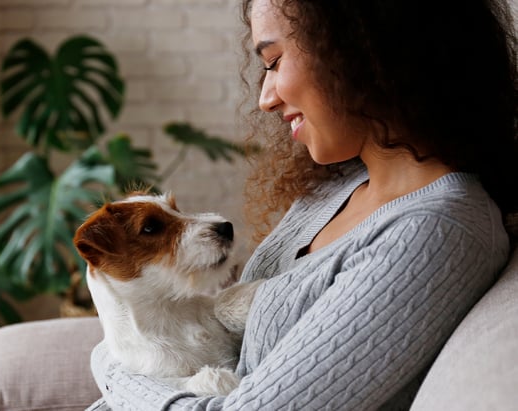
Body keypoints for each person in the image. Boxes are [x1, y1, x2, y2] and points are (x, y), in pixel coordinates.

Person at [88, 0, 518, 409]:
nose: (265, 97)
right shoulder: (339, 187)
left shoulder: (432, 235)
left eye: (274, 62)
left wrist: (110, 364)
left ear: (362, 49)